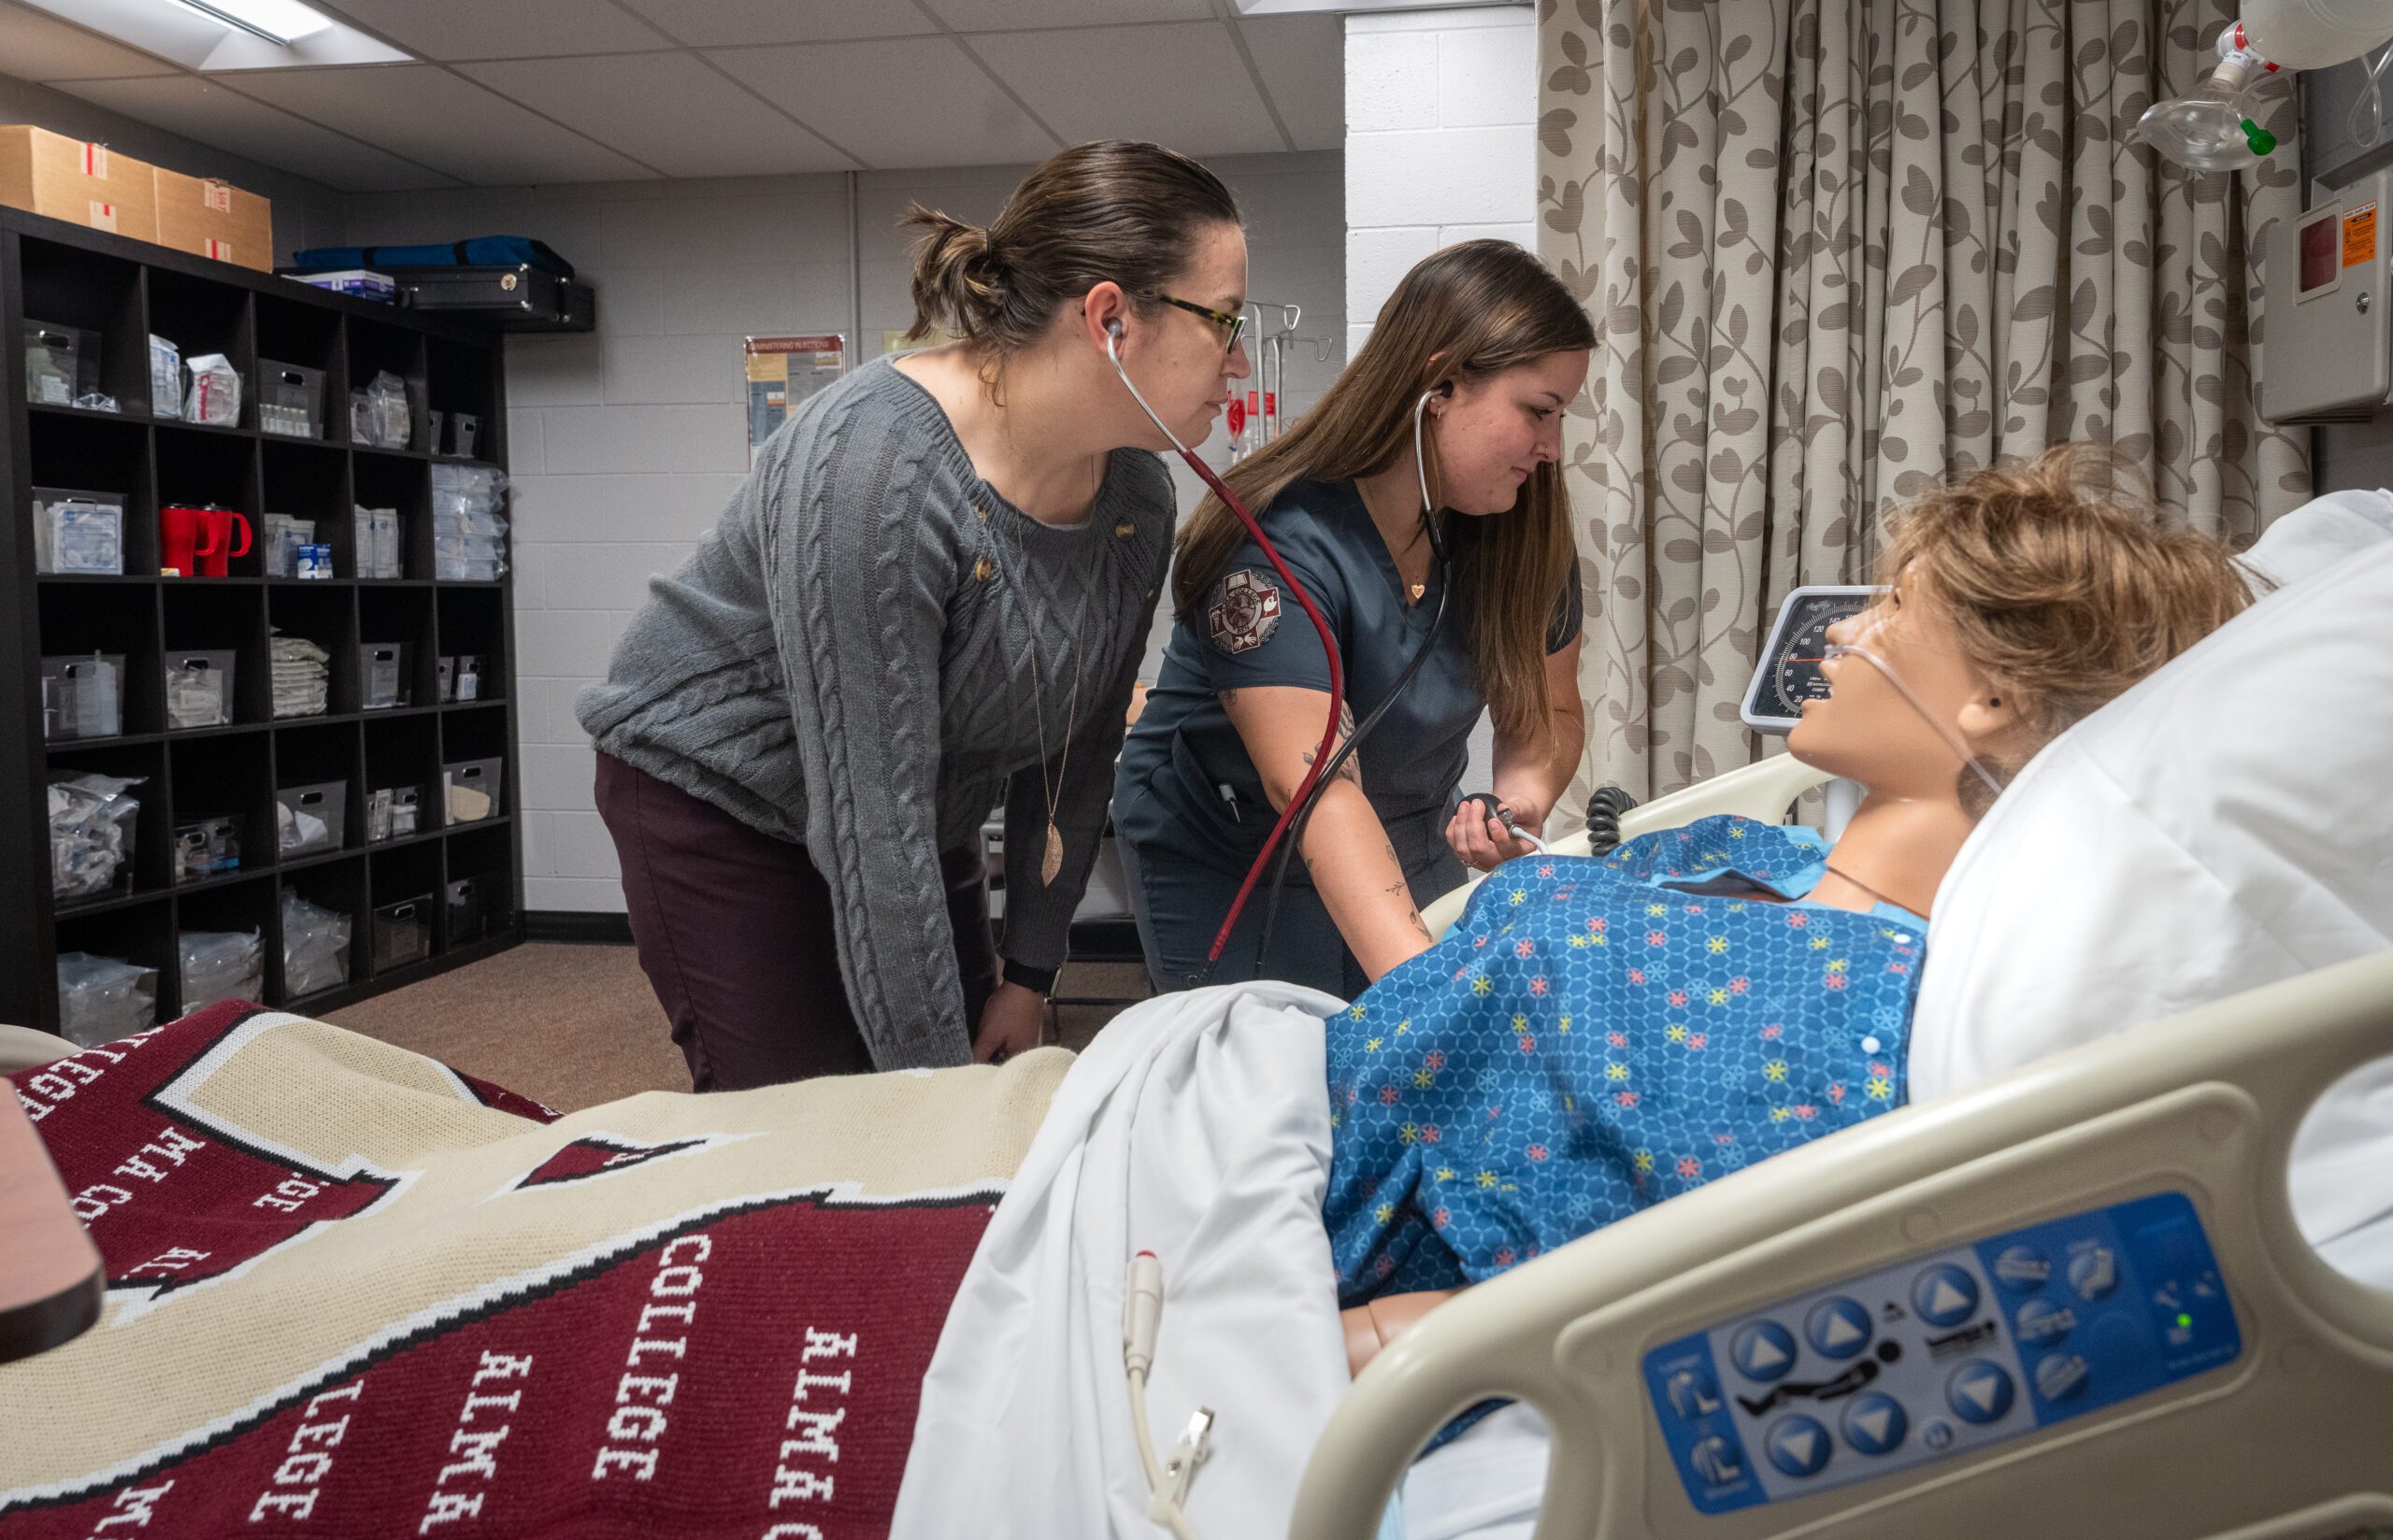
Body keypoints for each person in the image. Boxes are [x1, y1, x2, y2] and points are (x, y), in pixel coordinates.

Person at [1325, 442, 2255, 1369]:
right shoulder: (1760, 848)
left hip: (1323, 1216)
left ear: (1992, 696)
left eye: (1892, 607)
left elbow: (1611, 1290)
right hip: (1287, 1085)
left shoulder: (1858, 1014)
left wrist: (1351, 1342)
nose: (1841, 635)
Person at [578, 141, 1250, 1089]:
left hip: (914, 801)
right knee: (809, 1113)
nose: (1241, 358)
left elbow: (1078, 756)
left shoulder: (1136, 493)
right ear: (1109, 318)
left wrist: (1028, 973)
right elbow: (871, 829)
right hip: (722, 793)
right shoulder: (876, 468)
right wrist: (935, 1118)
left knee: (980, 1049)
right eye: (1223, 320)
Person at [1114, 240, 1596, 997]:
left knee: (1403, 1072)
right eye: (1537, 411)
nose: (1551, 447)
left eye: (1559, 415)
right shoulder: (1277, 539)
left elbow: (1551, 709)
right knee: (1287, 1069)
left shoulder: (1520, 533)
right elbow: (1316, 792)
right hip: (1229, 846)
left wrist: (1522, 797)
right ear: (1440, 383)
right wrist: (1425, 1004)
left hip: (1408, 828)